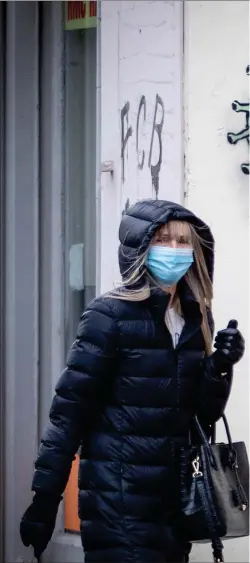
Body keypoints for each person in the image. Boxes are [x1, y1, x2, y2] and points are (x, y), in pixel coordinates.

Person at [20, 200, 245, 563]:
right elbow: (68, 416)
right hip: (118, 502)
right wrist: (45, 502)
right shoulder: (108, 315)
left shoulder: (194, 317)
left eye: (183, 242)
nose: (174, 251)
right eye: (163, 240)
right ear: (140, 248)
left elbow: (202, 415)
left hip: (173, 504)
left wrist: (220, 365)